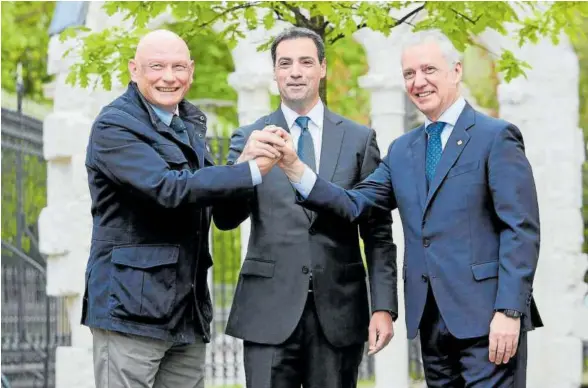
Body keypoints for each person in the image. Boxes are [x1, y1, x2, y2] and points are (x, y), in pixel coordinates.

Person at [275, 30, 543, 387]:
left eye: (429, 70)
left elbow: (520, 229)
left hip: (489, 320)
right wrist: (296, 169)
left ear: (456, 71)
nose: (419, 82)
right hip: (431, 322)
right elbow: (355, 203)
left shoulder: (495, 137)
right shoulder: (403, 150)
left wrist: (510, 310)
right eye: (409, 74)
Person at [82, 29, 285, 388]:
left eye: (178, 66)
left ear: (191, 71)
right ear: (134, 69)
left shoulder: (190, 123)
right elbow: (168, 188)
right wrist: (248, 170)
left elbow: (221, 215)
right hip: (131, 312)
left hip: (186, 312)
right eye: (156, 66)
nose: (169, 76)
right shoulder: (115, 125)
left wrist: (247, 161)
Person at [213, 27, 397, 388]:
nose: (295, 71)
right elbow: (225, 219)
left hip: (339, 310)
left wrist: (383, 307)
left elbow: (378, 232)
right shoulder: (250, 135)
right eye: (285, 63)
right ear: (275, 73)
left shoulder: (360, 140)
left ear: (322, 68)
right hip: (267, 310)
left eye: (305, 62)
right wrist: (242, 169)